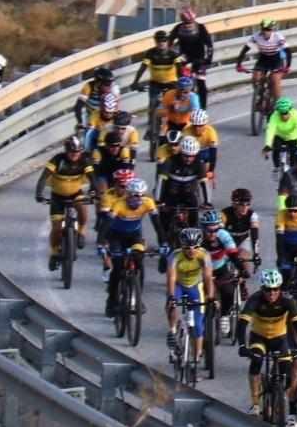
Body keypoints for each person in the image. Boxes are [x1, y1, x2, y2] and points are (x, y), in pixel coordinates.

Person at [237, 268, 297, 427]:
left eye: (275, 289)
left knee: (287, 374)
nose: (272, 293)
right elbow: (242, 324)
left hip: (279, 340)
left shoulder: (287, 301)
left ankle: (279, 397)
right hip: (259, 338)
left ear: (280, 288)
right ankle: (255, 404)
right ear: (262, 288)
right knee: (256, 361)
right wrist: (242, 345)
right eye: (268, 289)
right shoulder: (255, 299)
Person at [35, 134, 98, 272]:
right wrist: (39, 193)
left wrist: (95, 191)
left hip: (75, 194)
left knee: (82, 206)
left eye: (77, 152)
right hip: (57, 197)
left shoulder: (84, 160)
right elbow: (43, 178)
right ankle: (54, 253)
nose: (75, 154)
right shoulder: (57, 160)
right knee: (56, 227)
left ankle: (81, 231)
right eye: (72, 152)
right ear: (66, 151)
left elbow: (92, 178)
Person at [101, 179, 158, 320]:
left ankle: (138, 298)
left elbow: (157, 224)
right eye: (134, 195)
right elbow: (106, 224)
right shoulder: (118, 204)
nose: (137, 198)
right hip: (116, 236)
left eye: (140, 195)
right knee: (118, 267)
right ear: (127, 194)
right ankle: (111, 300)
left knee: (140, 264)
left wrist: (163, 243)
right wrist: (100, 243)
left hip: (134, 236)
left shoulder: (148, 203)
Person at [165, 226, 214, 366]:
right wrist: (172, 298)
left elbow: (208, 278)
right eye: (187, 247)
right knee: (171, 306)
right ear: (182, 246)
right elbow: (171, 279)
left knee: (198, 325)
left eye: (195, 247)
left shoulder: (204, 255)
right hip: (178, 285)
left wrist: (211, 297)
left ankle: (196, 363)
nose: (192, 250)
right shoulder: (175, 256)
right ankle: (172, 331)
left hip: (195, 286)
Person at [236, 19, 291, 109]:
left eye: (268, 30)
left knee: (275, 80)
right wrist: (239, 64)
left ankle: (278, 104)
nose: (265, 32)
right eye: (264, 29)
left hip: (276, 61)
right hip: (263, 60)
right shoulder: (256, 36)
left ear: (272, 29)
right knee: (256, 77)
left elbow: (288, 52)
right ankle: (261, 98)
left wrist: (287, 66)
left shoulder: (278, 37)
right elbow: (244, 50)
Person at [171, 8, 215, 108]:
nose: (188, 25)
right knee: (184, 83)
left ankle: (203, 108)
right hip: (185, 58)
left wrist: (209, 58)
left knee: (201, 82)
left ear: (194, 20)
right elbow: (169, 42)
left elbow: (209, 45)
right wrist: (171, 56)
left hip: (199, 59)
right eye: (185, 23)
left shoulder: (201, 28)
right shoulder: (178, 28)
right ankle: (184, 105)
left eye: (190, 23)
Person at [263, 97, 297, 171]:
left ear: (290, 110)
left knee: (294, 157)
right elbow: (270, 130)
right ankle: (276, 168)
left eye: (286, 113)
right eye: (281, 113)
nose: (283, 116)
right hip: (279, 136)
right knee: (275, 151)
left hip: (293, 137)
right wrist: (267, 145)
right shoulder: (274, 116)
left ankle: (293, 171)